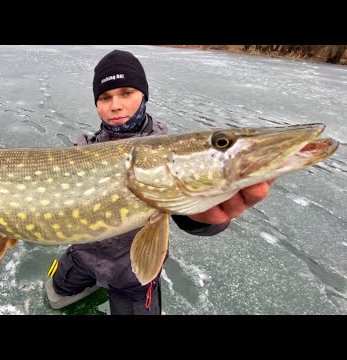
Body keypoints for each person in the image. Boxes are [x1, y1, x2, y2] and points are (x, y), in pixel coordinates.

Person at [44, 49, 274, 315]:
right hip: (83, 256)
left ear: (144, 95)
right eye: (105, 97)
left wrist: (200, 218)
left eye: (127, 93)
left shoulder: (169, 150)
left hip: (132, 272)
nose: (115, 105)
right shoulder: (85, 146)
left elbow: (187, 210)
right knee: (54, 294)